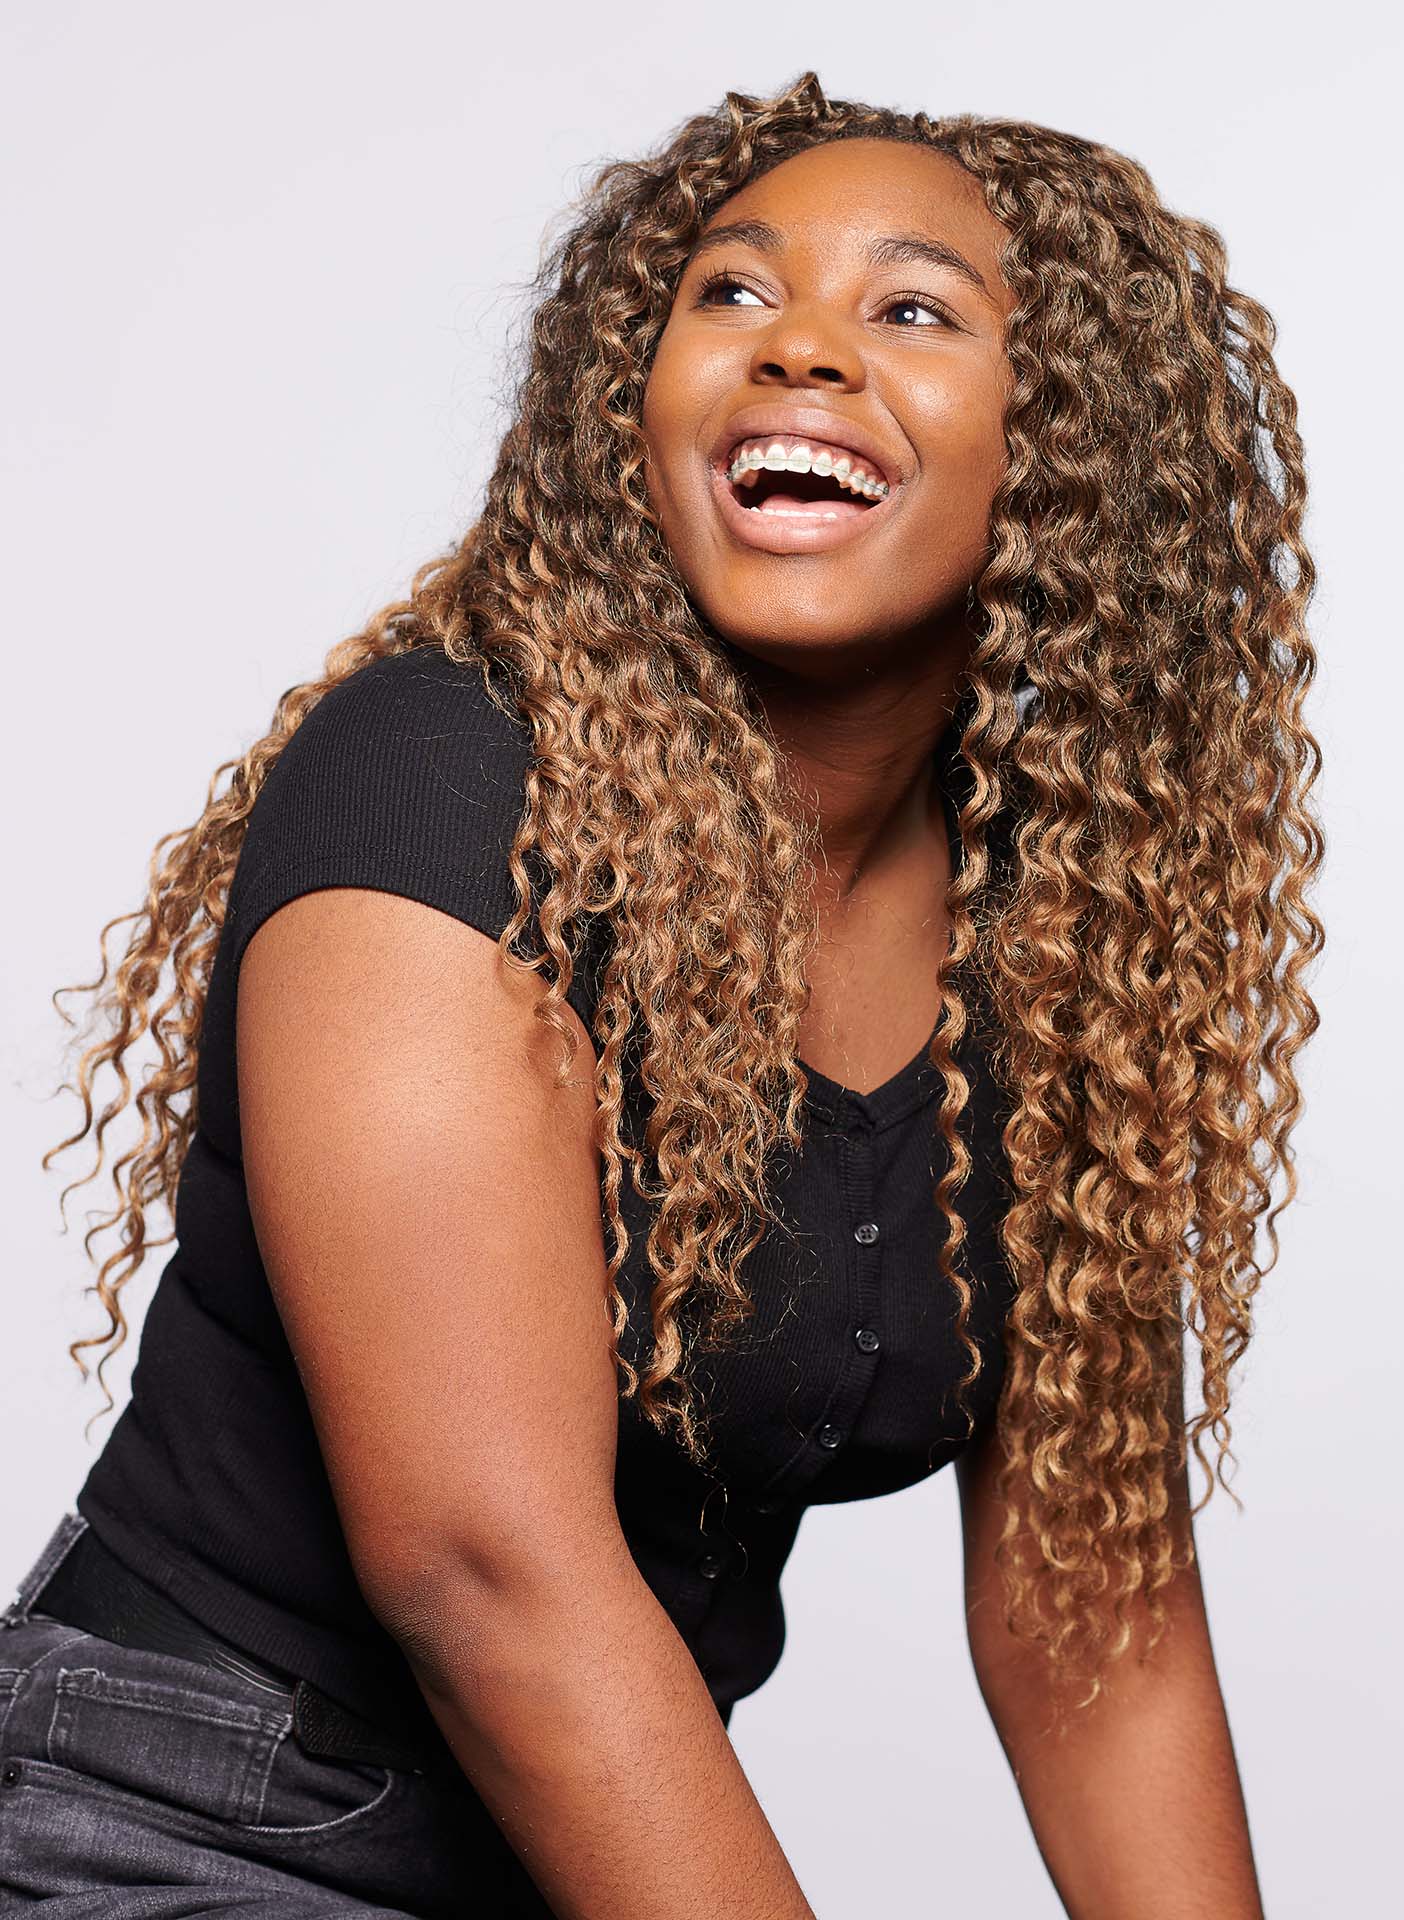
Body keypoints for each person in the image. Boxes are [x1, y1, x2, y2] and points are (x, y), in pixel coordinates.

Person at [0, 69, 1322, 1919]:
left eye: (914, 309)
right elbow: (489, 1575)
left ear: (1073, 454)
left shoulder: (1050, 953)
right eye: (732, 291)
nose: (801, 350)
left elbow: (1093, 1619)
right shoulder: (442, 792)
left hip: (567, 1857)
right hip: (168, 1819)